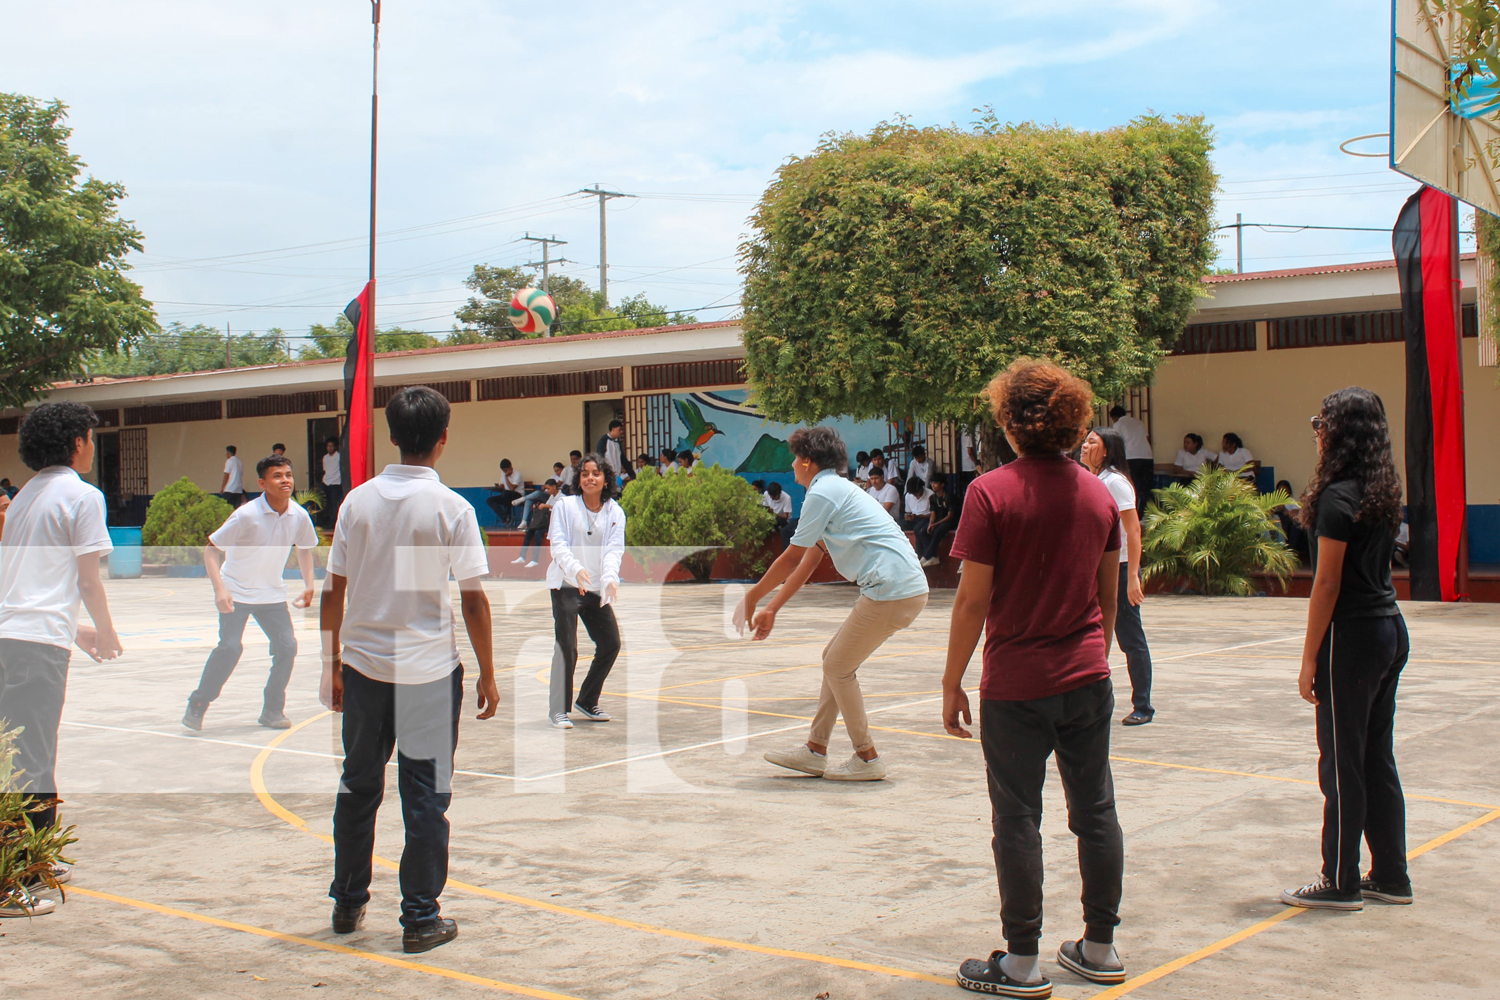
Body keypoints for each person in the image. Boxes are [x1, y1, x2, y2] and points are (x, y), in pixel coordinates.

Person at [943, 360, 1126, 995]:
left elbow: (972, 602)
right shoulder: (1099, 493)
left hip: (1017, 685)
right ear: (1074, 422)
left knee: (1018, 819)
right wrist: (1090, 654)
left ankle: (1021, 962)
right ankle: (1099, 948)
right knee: (1095, 810)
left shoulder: (990, 493)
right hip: (1086, 678)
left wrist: (950, 679)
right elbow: (1108, 597)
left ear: (1009, 422)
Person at [320, 386, 498, 955]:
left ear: (392, 436)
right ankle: (420, 919)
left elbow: (334, 590)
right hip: (427, 672)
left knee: (358, 786)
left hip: (366, 667)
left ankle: (348, 901)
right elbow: (473, 600)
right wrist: (488, 672)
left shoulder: (356, 503)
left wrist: (332, 663)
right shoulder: (452, 509)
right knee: (425, 797)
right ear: (443, 438)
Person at [735, 426, 929, 782]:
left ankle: (867, 758)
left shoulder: (823, 492)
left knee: (838, 666)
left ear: (808, 461)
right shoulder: (836, 490)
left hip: (891, 588)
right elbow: (809, 560)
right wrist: (773, 607)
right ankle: (815, 750)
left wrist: (752, 596)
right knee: (834, 662)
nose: (793, 465)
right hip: (902, 587)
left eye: (796, 458)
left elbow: (791, 557)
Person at [1280, 388, 1410, 911]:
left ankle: (1341, 879)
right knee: (1376, 757)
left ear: (1340, 432)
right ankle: (1391, 874)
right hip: (1388, 628)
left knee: (1342, 764)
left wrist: (1309, 657)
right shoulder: (1380, 491)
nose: (1316, 431)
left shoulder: (1336, 498)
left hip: (1353, 637)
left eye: (1321, 422)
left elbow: (1327, 585)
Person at [0, 402, 123, 918]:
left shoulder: (27, 494)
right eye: (91, 438)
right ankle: (18, 878)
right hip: (34, 646)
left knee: (19, 755)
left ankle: (33, 861)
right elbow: (87, 579)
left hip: (16, 635)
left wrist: (76, 629)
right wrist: (109, 630)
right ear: (76, 442)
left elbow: (25, 582)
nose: (93, 446)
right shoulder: (80, 495)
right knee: (32, 761)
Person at [183, 454, 318, 732]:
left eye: (288, 475)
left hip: (271, 595)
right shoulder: (246, 515)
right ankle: (198, 703)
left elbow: (304, 548)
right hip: (236, 591)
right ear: (262, 483)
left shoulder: (298, 515)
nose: (286, 481)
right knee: (230, 648)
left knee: (287, 646)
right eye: (278, 476)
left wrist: (309, 584)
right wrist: (219, 590)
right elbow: (211, 550)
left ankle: (272, 710)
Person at [546, 453, 626, 729]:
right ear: (578, 480)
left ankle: (587, 700)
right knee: (567, 647)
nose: (590, 478)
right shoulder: (565, 506)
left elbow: (615, 550)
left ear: (606, 480)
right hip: (567, 585)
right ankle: (558, 709)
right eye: (584, 474)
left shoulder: (615, 512)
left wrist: (610, 579)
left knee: (610, 643)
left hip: (595, 588)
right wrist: (575, 568)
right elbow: (558, 545)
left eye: (596, 473)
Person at [1082, 427, 1155, 726]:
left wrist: (1133, 576)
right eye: (1085, 441)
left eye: (1092, 442)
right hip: (1097, 566)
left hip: (1121, 567)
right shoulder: (1093, 480)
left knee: (1130, 638)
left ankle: (1143, 705)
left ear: (1108, 450)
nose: (1084, 446)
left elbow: (1133, 530)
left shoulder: (1115, 482)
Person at [1109, 405, 1153, 508]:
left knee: (1133, 486)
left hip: (1131, 457)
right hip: (1147, 456)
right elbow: (1146, 437)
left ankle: (1136, 513)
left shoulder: (1118, 424)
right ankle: (1146, 512)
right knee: (1146, 486)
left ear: (1114, 417)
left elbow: (1118, 443)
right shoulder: (1138, 422)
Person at [511, 479, 558, 568]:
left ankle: (534, 559)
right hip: (545, 520)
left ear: (554, 487)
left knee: (538, 533)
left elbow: (560, 508)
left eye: (548, 488)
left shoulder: (562, 496)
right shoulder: (551, 497)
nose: (547, 491)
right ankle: (522, 556)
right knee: (529, 531)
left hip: (553, 523)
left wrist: (546, 506)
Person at [915, 476, 958, 568]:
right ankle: (933, 556)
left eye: (935, 483)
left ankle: (927, 556)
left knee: (938, 531)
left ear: (942, 485)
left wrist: (935, 524)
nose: (932, 485)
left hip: (950, 521)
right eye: (932, 483)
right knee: (923, 530)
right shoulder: (933, 498)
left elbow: (950, 516)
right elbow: (933, 513)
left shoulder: (949, 496)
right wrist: (931, 524)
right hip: (938, 520)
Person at [1272, 479, 1307, 557]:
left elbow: (1295, 513)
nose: (1283, 493)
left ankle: (1290, 549)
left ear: (1289, 492)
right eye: (1280, 491)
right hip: (1277, 520)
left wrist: (1284, 509)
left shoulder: (1292, 501)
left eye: (1285, 491)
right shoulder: (1272, 501)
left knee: (1297, 523)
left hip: (1288, 522)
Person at [487, 459, 523, 529]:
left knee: (505, 493)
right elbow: (503, 486)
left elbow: (512, 488)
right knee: (490, 500)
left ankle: (508, 515)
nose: (505, 472)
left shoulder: (517, 474)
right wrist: (497, 487)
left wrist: (506, 477)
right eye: (503, 471)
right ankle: (505, 516)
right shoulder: (503, 474)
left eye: (506, 470)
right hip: (506, 496)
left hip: (517, 496)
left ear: (511, 468)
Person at [763, 481, 794, 548]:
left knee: (779, 520)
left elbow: (785, 517)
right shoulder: (766, 494)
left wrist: (774, 513)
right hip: (769, 518)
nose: (771, 498)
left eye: (774, 496)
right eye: (770, 496)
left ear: (779, 493)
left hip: (782, 520)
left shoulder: (787, 498)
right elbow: (765, 506)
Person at [322, 438, 343, 528]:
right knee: (325, 503)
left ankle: (333, 523)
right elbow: (325, 469)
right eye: (328, 446)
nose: (330, 448)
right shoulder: (325, 457)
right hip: (326, 482)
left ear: (335, 447)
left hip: (336, 482)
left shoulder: (339, 457)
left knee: (334, 503)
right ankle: (325, 521)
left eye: (331, 446)